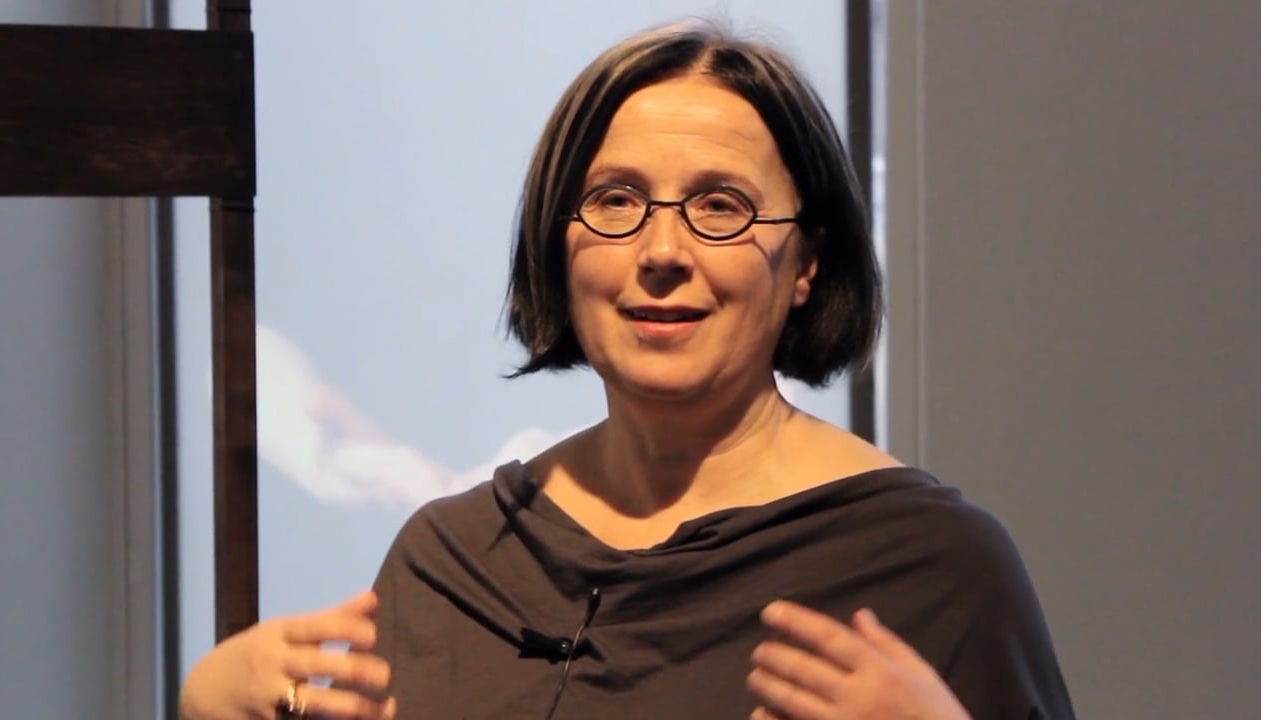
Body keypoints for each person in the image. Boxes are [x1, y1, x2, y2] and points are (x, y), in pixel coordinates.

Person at [179, 20, 1075, 720]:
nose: (662, 252)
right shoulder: (450, 560)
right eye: (616, 201)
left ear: (807, 262)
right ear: (558, 245)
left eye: (720, 206)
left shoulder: (931, 569)